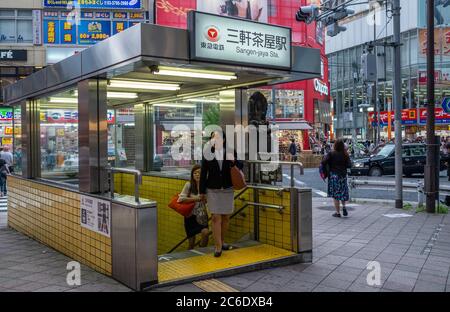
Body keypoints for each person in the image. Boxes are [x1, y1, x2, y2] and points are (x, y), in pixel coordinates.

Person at [200, 131, 243, 257]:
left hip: (227, 188)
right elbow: (203, 173)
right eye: (213, 137)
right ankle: (218, 246)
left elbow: (240, 165)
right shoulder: (207, 153)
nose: (215, 139)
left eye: (218, 137)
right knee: (215, 217)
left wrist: (234, 161)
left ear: (224, 139)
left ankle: (222, 241)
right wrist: (202, 191)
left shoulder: (230, 151)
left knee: (225, 217)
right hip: (212, 189)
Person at [178, 164, 209, 250]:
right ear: (192, 175)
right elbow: (181, 199)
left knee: (205, 233)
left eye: (199, 173)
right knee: (191, 243)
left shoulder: (206, 187)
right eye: (195, 173)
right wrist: (196, 199)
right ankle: (191, 259)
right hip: (190, 216)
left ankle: (201, 250)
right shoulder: (189, 185)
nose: (197, 175)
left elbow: (208, 200)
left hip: (202, 215)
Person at [321, 139, 352, 218]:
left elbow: (323, 162)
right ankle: (344, 207)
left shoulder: (331, 154)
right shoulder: (345, 154)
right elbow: (349, 165)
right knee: (343, 192)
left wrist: (327, 168)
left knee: (336, 195)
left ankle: (337, 212)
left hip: (334, 176)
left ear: (335, 145)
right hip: (343, 176)